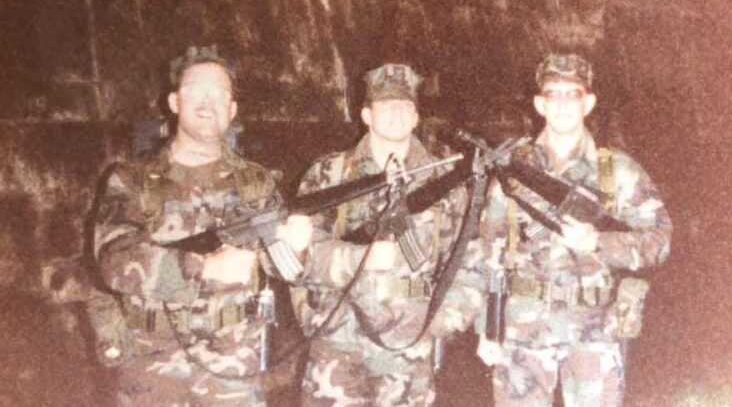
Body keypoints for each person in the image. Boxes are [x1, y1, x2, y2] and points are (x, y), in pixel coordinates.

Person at [92, 45, 312, 406]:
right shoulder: (132, 178)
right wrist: (204, 267)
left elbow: (279, 266)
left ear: (232, 110)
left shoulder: (255, 181)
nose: (208, 102)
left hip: (234, 361)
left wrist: (296, 247)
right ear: (174, 102)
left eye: (220, 94)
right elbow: (113, 259)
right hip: (155, 363)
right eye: (196, 90)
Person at [473, 54, 673, 406]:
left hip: (593, 330)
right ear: (540, 104)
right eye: (554, 94)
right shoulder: (512, 170)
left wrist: (599, 242)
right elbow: (488, 251)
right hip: (523, 328)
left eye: (573, 94)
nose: (563, 104)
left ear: (588, 103)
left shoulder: (617, 171)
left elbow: (660, 241)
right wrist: (487, 328)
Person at [290, 63, 482, 406]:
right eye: (386, 105)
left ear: (416, 118)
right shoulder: (329, 174)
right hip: (337, 343)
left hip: (407, 350)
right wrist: (357, 259)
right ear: (366, 114)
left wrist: (437, 323)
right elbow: (296, 255)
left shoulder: (443, 181)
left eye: (405, 106)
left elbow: (470, 260)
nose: (397, 112)